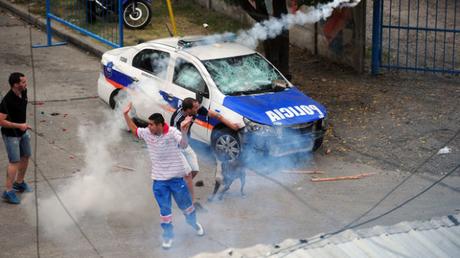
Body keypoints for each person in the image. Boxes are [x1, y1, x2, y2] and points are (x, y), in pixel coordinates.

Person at [123, 102, 204, 249]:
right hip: (159, 181)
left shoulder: (173, 132)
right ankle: (168, 236)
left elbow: (184, 145)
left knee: (186, 207)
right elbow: (135, 130)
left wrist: (184, 132)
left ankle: (194, 223)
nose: (149, 127)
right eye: (148, 125)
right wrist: (125, 115)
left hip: (176, 180)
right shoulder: (148, 133)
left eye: (152, 125)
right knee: (165, 211)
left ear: (160, 125)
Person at [170, 97, 240, 208]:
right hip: (176, 146)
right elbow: (174, 139)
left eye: (198, 106)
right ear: (188, 110)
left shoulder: (195, 109)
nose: (198, 109)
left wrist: (232, 126)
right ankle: (187, 201)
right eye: (196, 108)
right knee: (187, 172)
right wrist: (184, 131)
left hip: (186, 144)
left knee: (195, 169)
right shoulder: (177, 120)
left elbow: (217, 116)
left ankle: (179, 186)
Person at [0, 72, 32, 205]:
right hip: (11, 135)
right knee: (14, 161)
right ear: (15, 85)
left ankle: (19, 183)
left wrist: (22, 127)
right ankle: (8, 191)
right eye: (23, 82)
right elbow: (1, 121)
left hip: (22, 132)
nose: (26, 84)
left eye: (25, 81)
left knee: (26, 156)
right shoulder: (7, 100)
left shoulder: (23, 92)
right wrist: (19, 125)